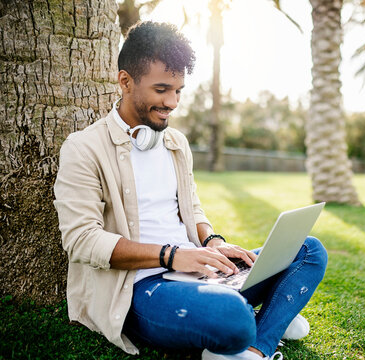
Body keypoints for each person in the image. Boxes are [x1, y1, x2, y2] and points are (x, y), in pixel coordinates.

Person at [54, 21, 327, 360]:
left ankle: (255, 347)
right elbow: (81, 241)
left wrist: (214, 243)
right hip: (142, 287)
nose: (172, 102)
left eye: (179, 90)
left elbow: (192, 210)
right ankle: (264, 318)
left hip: (199, 268)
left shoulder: (175, 143)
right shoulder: (83, 148)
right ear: (125, 81)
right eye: (161, 89)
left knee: (309, 251)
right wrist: (171, 255)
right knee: (232, 318)